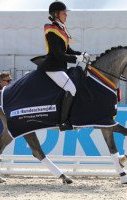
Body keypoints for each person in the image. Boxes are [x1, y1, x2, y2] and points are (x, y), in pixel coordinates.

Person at [39, 1, 91, 131]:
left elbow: (67, 50)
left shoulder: (61, 29)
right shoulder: (51, 30)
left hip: (60, 67)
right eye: (64, 13)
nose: (66, 16)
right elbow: (57, 53)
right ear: (56, 14)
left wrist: (81, 54)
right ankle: (63, 122)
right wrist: (75, 58)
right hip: (53, 67)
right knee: (71, 88)